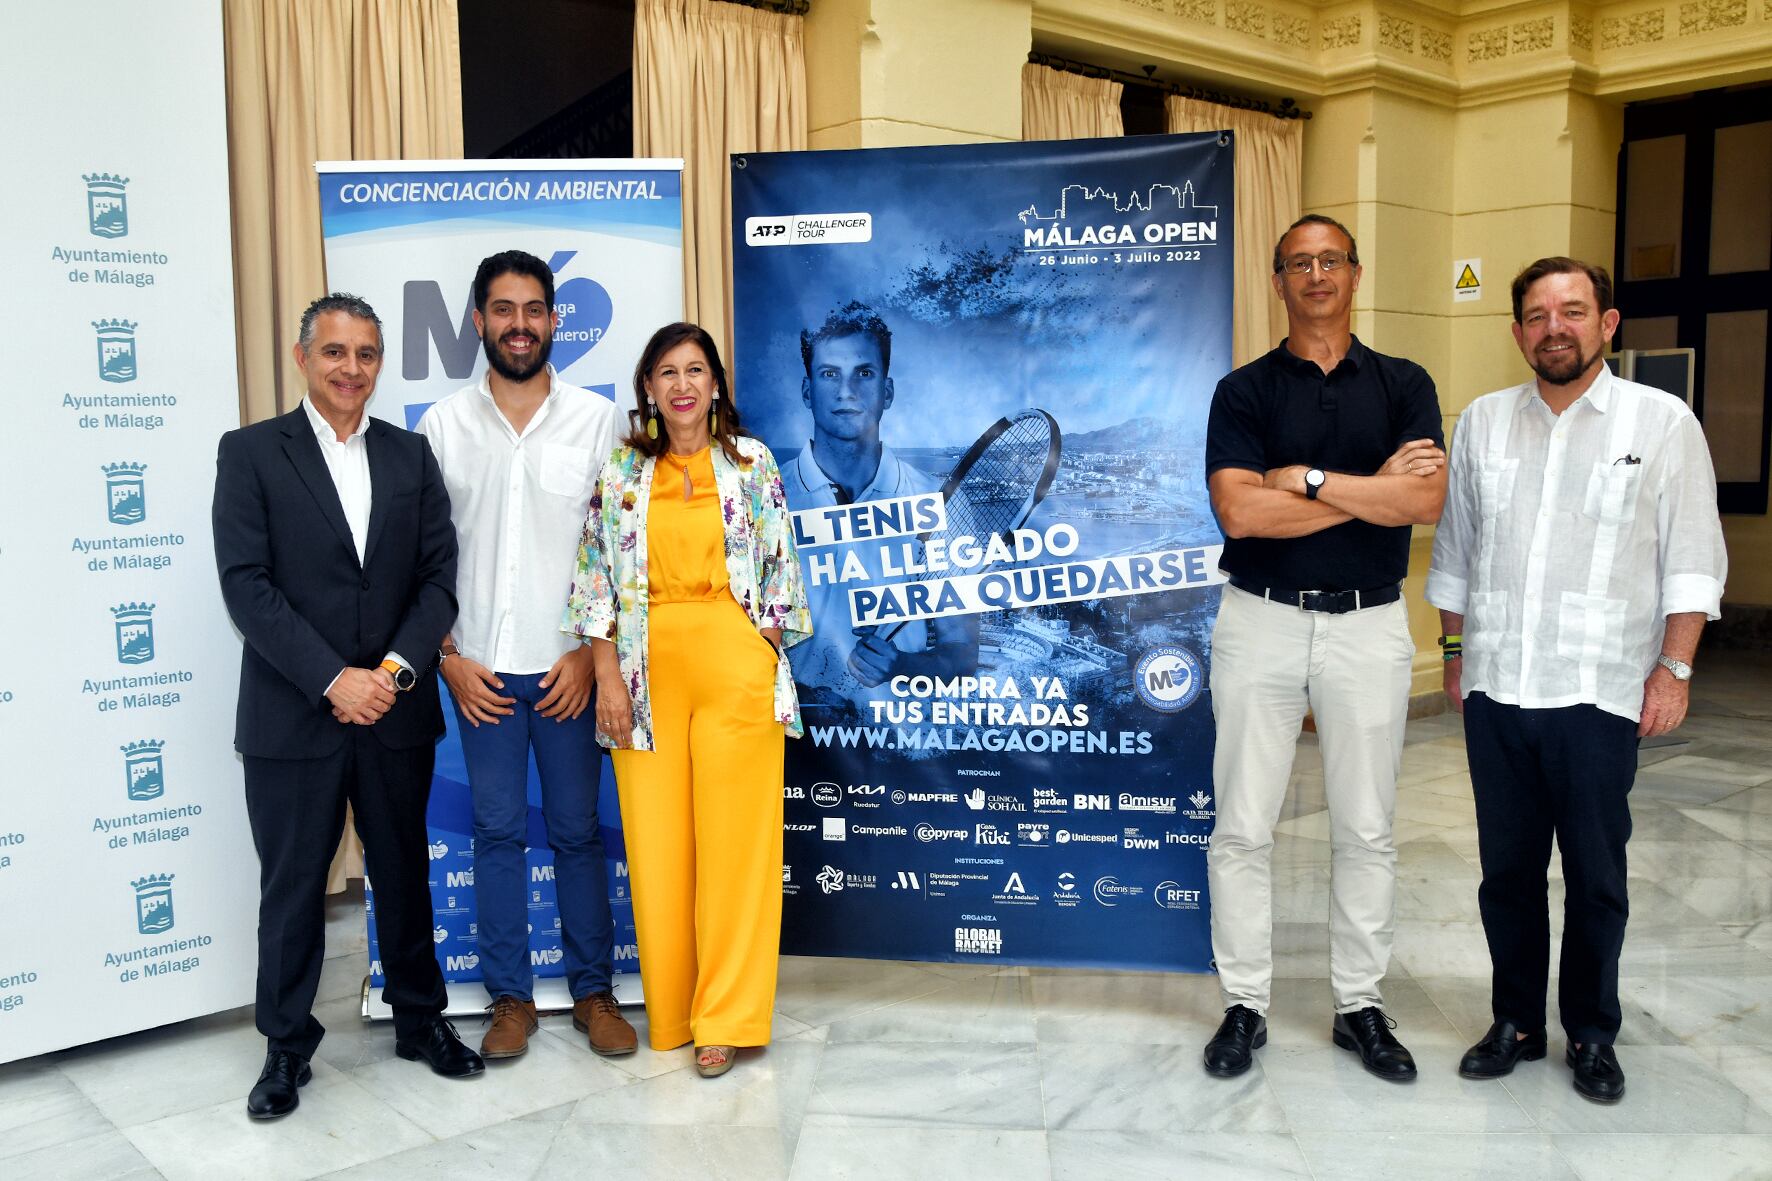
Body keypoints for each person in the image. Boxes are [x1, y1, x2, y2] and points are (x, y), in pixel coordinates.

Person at [1427, 257, 1725, 1103]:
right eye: (1537, 314)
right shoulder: (1484, 422)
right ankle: (1516, 1022)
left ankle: (1592, 1032)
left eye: (1572, 310)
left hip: (1599, 691)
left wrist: (1674, 669)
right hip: (1498, 688)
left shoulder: (1661, 422)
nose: (1553, 327)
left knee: (1596, 875)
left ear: (1607, 323)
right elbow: (1457, 550)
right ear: (1517, 331)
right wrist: (1454, 653)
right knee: (1506, 872)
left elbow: (1693, 558)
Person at [213, 293, 481, 1121]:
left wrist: (392, 673)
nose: (351, 368)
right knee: (293, 884)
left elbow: (438, 577)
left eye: (366, 354)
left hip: (395, 711)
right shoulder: (250, 453)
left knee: (403, 871)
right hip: (293, 715)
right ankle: (285, 1046)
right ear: (303, 358)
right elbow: (247, 587)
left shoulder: (410, 454)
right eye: (334, 352)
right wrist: (334, 679)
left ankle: (419, 1018)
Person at [1201, 214, 1448, 1082]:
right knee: (1242, 825)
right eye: (1298, 263)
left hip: (1369, 624)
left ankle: (1359, 1005)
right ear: (1278, 281)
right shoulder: (1243, 391)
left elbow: (1423, 504)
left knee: (1368, 825)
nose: (1316, 275)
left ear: (1355, 273)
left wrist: (1305, 481)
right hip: (1259, 619)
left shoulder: (1405, 384)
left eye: (1330, 260)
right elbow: (1241, 514)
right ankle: (1244, 1003)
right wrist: (1372, 492)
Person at [564, 322, 811, 1078]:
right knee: (658, 848)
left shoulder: (752, 462)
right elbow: (595, 580)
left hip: (735, 667)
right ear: (648, 386)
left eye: (695, 370)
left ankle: (725, 1018)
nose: (682, 384)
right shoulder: (621, 472)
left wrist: (760, 652)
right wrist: (607, 678)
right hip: (642, 679)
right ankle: (673, 1012)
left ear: (715, 384)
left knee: (737, 850)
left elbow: (780, 569)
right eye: (667, 371)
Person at [416, 250, 636, 1061]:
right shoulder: (442, 426)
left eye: (533, 309)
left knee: (578, 832)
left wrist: (590, 655)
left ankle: (593, 993)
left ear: (553, 320)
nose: (519, 324)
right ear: (479, 320)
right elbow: (420, 554)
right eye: (503, 309)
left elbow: (619, 549)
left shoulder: (599, 421)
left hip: (567, 667)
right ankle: (510, 998)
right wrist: (446, 656)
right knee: (497, 833)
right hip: (478, 669)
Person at [783, 300, 977, 694]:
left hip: (903, 730)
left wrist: (903, 665)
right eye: (830, 374)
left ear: (886, 392)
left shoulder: (939, 502)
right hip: (794, 729)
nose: (847, 391)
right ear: (807, 391)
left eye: (864, 373)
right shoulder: (767, 498)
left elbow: (961, 655)